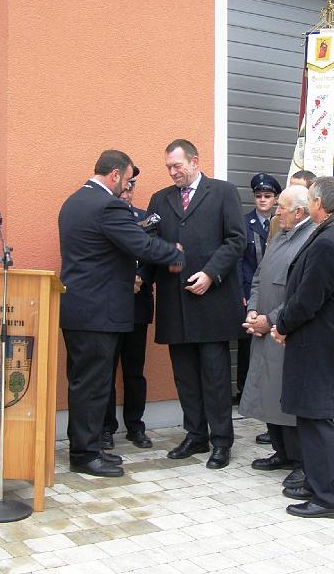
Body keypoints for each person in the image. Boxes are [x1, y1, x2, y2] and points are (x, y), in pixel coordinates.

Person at [58, 150, 183, 477]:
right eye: (127, 180)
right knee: (93, 385)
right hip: (98, 311)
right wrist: (174, 252)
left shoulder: (73, 201)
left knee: (84, 382)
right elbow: (139, 244)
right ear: (114, 175)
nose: (128, 186)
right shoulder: (106, 205)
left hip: (80, 309)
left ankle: (87, 447)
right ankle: (85, 455)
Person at [147, 139, 246, 469]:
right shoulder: (160, 199)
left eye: (177, 166)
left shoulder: (223, 192)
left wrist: (210, 274)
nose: (173, 172)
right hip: (176, 304)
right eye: (168, 168)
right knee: (185, 376)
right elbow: (149, 242)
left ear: (195, 161)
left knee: (215, 376)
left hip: (212, 302)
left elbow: (236, 240)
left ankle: (221, 440)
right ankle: (195, 434)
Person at [271, 177, 334, 519]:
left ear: (319, 203)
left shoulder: (329, 241)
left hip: (317, 344)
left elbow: (309, 298)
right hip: (317, 342)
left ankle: (327, 498)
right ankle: (316, 483)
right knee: (309, 418)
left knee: (317, 420)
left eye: (310, 198)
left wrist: (282, 325)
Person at [239, 185, 316, 490]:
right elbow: (258, 277)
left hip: (287, 331)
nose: (276, 210)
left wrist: (268, 320)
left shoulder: (309, 240)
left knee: (287, 398)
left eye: (282, 207)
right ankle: (281, 452)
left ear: (300, 211)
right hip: (264, 328)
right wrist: (253, 311)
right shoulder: (280, 235)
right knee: (268, 395)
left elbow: (302, 295)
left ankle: (300, 461)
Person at [101, 168, 155, 450]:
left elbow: (153, 253)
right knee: (107, 370)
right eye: (123, 188)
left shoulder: (144, 217)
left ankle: (136, 426)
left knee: (134, 370)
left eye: (130, 189)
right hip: (110, 305)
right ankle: (106, 429)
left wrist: (142, 277)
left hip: (136, 305)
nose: (127, 193)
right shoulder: (103, 216)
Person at [236, 173, 281, 402]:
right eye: (259, 196)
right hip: (249, 294)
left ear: (276, 199)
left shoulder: (282, 223)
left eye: (268, 196)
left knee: (272, 340)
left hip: (273, 294)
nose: (263, 200)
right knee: (248, 344)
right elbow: (239, 261)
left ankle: (268, 391)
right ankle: (245, 391)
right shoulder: (244, 223)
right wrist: (243, 294)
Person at [268, 170, 316, 239]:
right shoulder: (276, 221)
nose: (291, 192)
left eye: (297, 189)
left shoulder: (319, 225)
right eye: (289, 188)